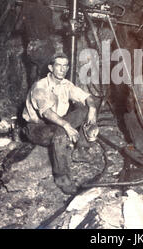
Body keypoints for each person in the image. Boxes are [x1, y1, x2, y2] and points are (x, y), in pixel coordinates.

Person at [22, 52, 98, 194]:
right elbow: (46, 113)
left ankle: (81, 149)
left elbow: (85, 96)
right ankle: (61, 178)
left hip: (57, 123)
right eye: (58, 66)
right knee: (61, 135)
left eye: (65, 66)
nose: (62, 69)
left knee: (86, 109)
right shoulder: (40, 87)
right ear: (51, 68)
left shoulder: (65, 84)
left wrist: (92, 108)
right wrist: (66, 125)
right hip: (37, 128)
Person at [19, 0, 57, 85]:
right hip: (43, 47)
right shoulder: (46, 10)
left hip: (31, 46)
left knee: (32, 72)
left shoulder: (27, 8)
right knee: (45, 76)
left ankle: (31, 94)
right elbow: (52, 29)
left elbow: (18, 26)